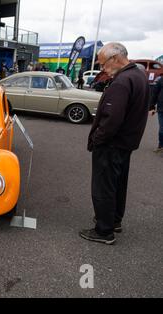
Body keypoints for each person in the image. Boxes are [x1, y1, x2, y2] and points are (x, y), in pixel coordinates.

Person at [81, 42, 150, 245]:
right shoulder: (139, 76)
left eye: (103, 63)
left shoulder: (122, 81)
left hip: (111, 144)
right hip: (126, 143)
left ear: (115, 58)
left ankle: (104, 231)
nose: (103, 68)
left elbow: (112, 119)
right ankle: (114, 221)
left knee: (104, 187)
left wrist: (97, 139)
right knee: (118, 184)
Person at [149, 75, 163, 152]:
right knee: (162, 130)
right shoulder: (161, 80)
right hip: (161, 109)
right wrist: (151, 107)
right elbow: (154, 93)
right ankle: (161, 146)